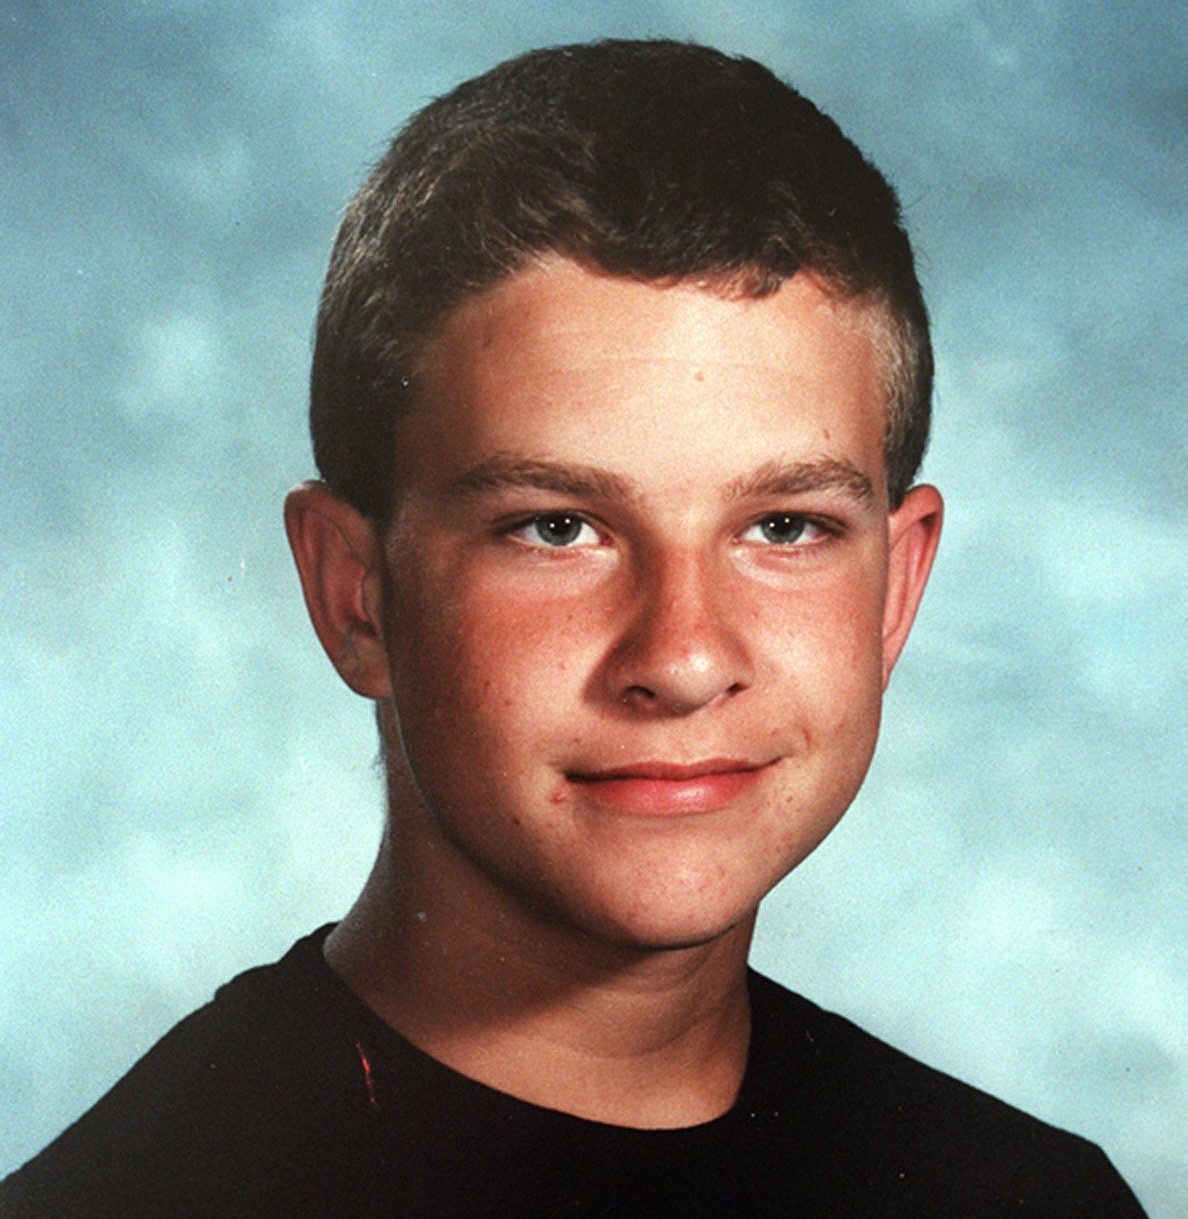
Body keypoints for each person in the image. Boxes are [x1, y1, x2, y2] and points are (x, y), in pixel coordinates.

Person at [3, 39, 1147, 1218]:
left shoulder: (1029, 1196)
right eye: (557, 528)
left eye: (786, 526)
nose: (686, 657)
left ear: (897, 587)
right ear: (357, 594)